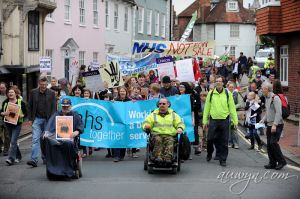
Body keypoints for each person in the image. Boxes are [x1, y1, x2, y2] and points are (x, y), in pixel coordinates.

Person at [202, 76, 238, 167]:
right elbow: (207, 108)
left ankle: (223, 159)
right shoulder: (211, 93)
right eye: (216, 81)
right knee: (210, 139)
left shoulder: (227, 93)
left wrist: (235, 121)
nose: (218, 83)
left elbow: (232, 108)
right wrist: (204, 121)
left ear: (223, 83)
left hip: (224, 120)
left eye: (220, 81)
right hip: (213, 119)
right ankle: (210, 153)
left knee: (224, 141)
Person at [142, 98, 185, 163]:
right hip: (156, 134)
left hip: (170, 135)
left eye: (163, 104)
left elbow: (180, 123)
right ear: (158, 105)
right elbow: (146, 122)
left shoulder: (174, 115)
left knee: (170, 141)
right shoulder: (153, 115)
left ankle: (167, 159)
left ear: (168, 104)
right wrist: (146, 126)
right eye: (160, 104)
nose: (161, 105)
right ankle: (157, 158)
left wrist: (180, 128)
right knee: (158, 140)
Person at [27, 76, 56, 167]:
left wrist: (52, 121)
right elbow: (30, 106)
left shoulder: (51, 93)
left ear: (47, 84)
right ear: (39, 83)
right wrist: (30, 119)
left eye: (45, 85)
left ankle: (45, 157)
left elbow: (53, 108)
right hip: (37, 119)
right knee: (35, 139)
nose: (43, 86)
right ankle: (34, 160)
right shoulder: (33, 92)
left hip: (48, 120)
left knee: (46, 139)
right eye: (41, 84)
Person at [261, 81, 286, 170]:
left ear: (267, 89)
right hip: (269, 124)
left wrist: (274, 125)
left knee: (273, 143)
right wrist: (263, 119)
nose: (261, 90)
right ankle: (272, 163)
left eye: (263, 88)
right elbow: (268, 111)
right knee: (269, 145)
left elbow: (279, 113)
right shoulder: (267, 98)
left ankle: (282, 161)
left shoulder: (275, 98)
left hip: (277, 124)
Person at [1, 87, 27, 165]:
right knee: (14, 142)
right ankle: (18, 156)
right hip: (8, 124)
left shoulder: (20, 102)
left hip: (17, 125)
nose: (10, 93)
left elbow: (25, 113)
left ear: (16, 93)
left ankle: (11, 159)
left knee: (12, 141)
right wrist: (3, 113)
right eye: (9, 92)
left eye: (12, 92)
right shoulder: (5, 102)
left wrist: (22, 115)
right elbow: (1, 112)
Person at [113, 86, 131, 162]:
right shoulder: (116, 100)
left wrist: (133, 103)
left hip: (126, 122)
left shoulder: (129, 101)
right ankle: (117, 156)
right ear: (119, 92)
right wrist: (111, 103)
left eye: (124, 91)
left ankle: (122, 155)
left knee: (123, 138)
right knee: (117, 138)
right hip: (117, 122)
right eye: (121, 91)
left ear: (126, 92)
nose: (122, 92)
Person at [0, 82, 10, 156]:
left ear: (6, 88)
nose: (2, 89)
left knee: (7, 135)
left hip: (8, 118)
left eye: (3, 88)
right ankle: (0, 147)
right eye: (1, 88)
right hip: (0, 118)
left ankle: (6, 150)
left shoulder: (9, 96)